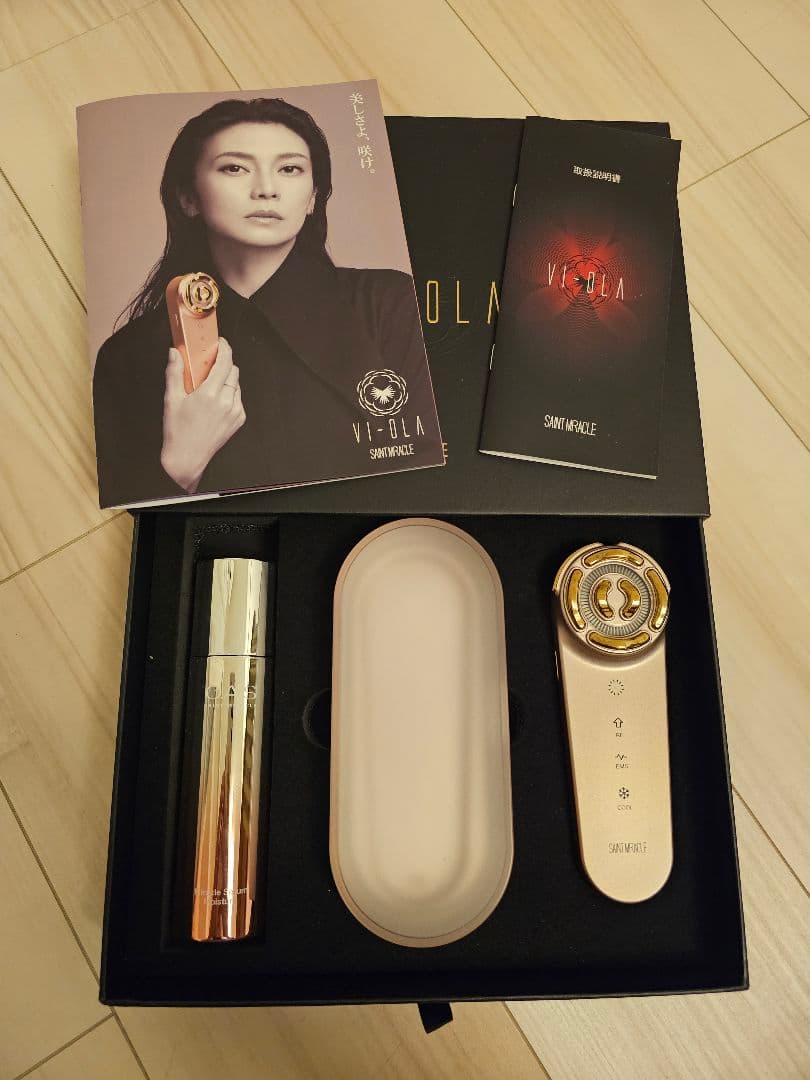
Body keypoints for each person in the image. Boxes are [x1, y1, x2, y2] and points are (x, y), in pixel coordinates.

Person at [92, 97, 442, 507]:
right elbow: (133, 509)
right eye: (235, 168)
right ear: (188, 197)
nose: (266, 190)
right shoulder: (129, 353)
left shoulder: (388, 302)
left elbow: (426, 468)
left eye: (289, 169)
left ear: (312, 198)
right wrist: (181, 465)